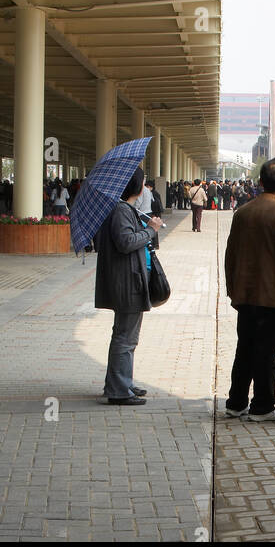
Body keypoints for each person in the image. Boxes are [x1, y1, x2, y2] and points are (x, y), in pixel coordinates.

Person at [224, 157, 275, 422]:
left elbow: (230, 254)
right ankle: (263, 406)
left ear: (260, 182)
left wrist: (232, 289)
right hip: (272, 297)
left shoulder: (242, 212)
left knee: (244, 347)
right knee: (267, 352)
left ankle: (235, 403)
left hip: (245, 295)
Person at [94, 166, 162, 405]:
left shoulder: (124, 209)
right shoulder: (122, 210)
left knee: (124, 336)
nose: (144, 187)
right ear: (135, 185)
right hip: (127, 281)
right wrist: (150, 231)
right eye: (142, 182)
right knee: (125, 337)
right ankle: (119, 390)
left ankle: (121, 382)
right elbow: (126, 242)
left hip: (128, 279)